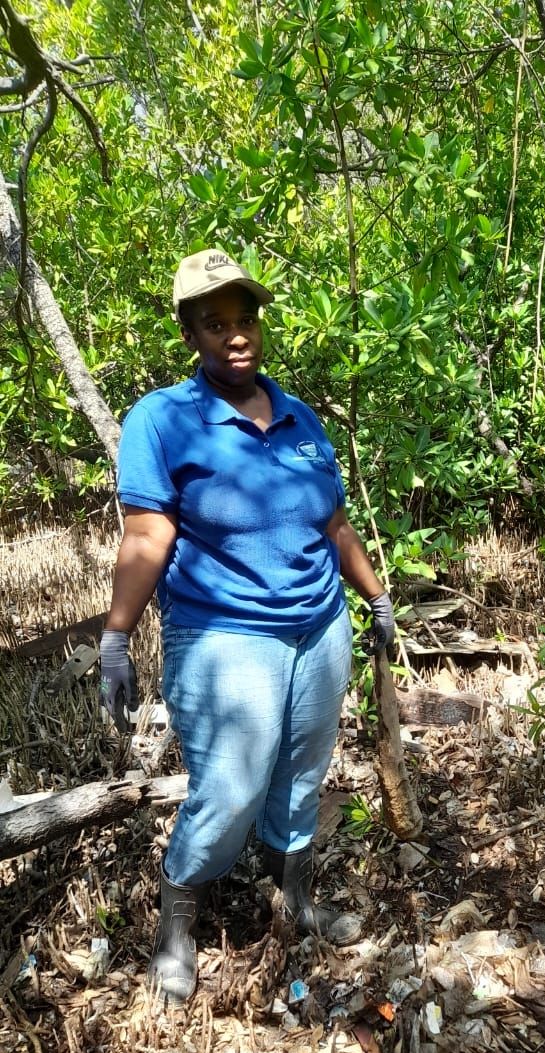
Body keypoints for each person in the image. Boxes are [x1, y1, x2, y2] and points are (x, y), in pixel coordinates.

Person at [98, 247, 394, 1004]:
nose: (237, 335)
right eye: (215, 323)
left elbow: (334, 524)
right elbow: (146, 536)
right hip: (225, 634)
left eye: (246, 318)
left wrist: (377, 598)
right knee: (230, 785)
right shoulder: (163, 419)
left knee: (301, 772)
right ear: (191, 334)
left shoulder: (298, 417)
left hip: (319, 628)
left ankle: (292, 897)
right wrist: (116, 635)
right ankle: (178, 920)